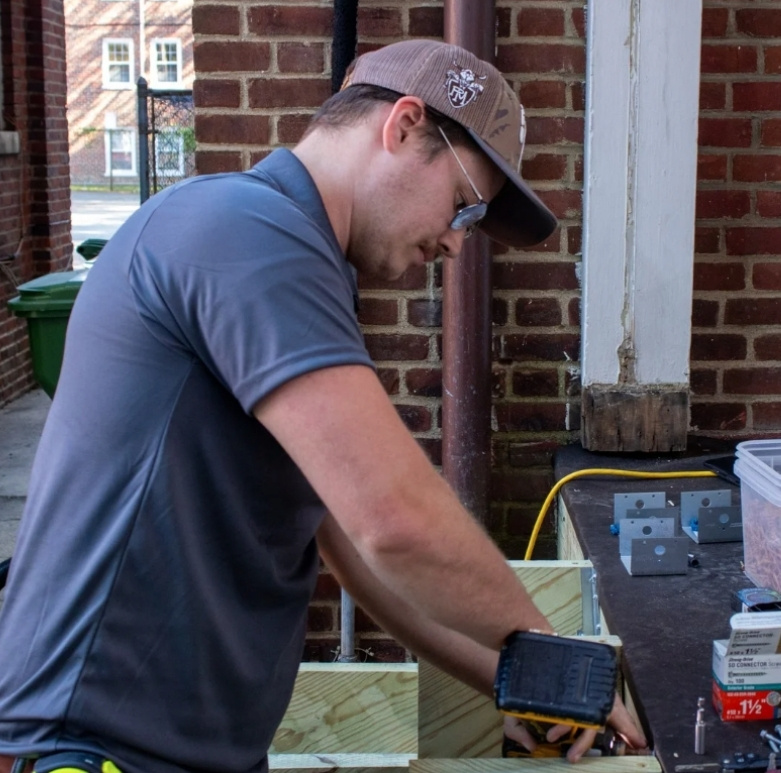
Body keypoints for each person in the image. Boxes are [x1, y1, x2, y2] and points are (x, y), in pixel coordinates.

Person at [0, 39, 647, 773]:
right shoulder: (246, 232)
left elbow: (358, 548)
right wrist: (559, 663)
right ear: (402, 126)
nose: (454, 243)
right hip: (92, 745)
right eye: (462, 207)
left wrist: (518, 684)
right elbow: (394, 521)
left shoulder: (293, 259)